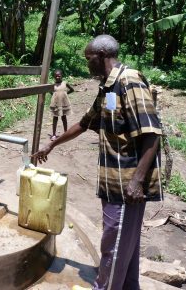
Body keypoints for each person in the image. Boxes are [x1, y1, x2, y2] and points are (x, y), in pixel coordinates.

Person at [33, 35, 162, 290]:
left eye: (88, 58)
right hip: (113, 184)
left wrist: (136, 182)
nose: (87, 64)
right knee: (126, 247)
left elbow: (152, 134)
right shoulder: (107, 87)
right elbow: (84, 123)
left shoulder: (129, 81)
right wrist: (52, 143)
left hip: (126, 187)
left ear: (102, 55)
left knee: (113, 247)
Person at [49, 69, 73, 141]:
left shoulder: (65, 83)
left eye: (59, 76)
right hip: (56, 104)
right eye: (56, 76)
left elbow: (72, 90)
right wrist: (54, 95)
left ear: (62, 76)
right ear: (54, 76)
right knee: (55, 118)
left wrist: (65, 94)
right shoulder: (53, 85)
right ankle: (54, 134)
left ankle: (66, 133)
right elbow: (50, 91)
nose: (57, 77)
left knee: (64, 118)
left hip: (63, 103)